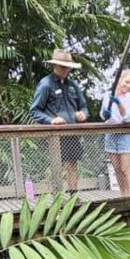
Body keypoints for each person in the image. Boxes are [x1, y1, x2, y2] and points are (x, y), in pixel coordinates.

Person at [29, 49, 88, 192]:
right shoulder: (46, 84)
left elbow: (84, 107)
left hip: (72, 133)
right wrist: (51, 120)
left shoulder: (73, 85)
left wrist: (83, 114)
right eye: (63, 66)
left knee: (72, 164)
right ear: (54, 66)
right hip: (55, 135)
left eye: (67, 66)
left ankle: (74, 197)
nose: (66, 69)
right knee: (56, 167)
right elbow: (34, 111)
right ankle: (57, 199)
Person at [100, 70, 130, 197]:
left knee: (125, 168)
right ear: (120, 80)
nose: (129, 86)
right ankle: (123, 195)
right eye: (127, 82)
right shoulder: (107, 95)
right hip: (111, 133)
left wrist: (118, 103)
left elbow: (127, 118)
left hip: (126, 134)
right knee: (116, 168)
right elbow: (103, 115)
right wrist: (105, 114)